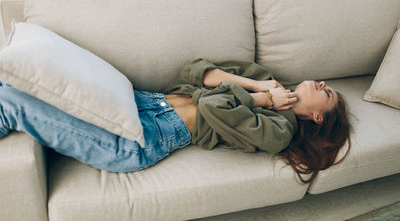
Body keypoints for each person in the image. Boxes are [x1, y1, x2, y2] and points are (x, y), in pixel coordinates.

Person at [0, 58, 351, 184]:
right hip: (141, 101)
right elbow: (195, 70)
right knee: (11, 82)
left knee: (11, 103)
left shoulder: (279, 132)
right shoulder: (265, 78)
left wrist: (262, 100)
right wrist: (258, 84)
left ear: (317, 115)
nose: (322, 83)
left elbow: (214, 106)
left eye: (327, 92)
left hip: (142, 138)